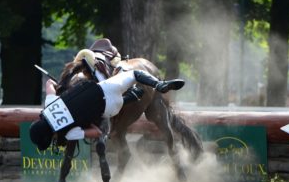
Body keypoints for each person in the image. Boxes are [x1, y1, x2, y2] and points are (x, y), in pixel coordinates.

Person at [29, 49, 184, 151]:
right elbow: (49, 84)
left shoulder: (69, 134)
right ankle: (159, 84)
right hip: (102, 89)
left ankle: (131, 97)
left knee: (112, 106)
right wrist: (59, 86)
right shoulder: (49, 105)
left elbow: (96, 131)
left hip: (108, 107)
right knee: (134, 74)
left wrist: (83, 128)